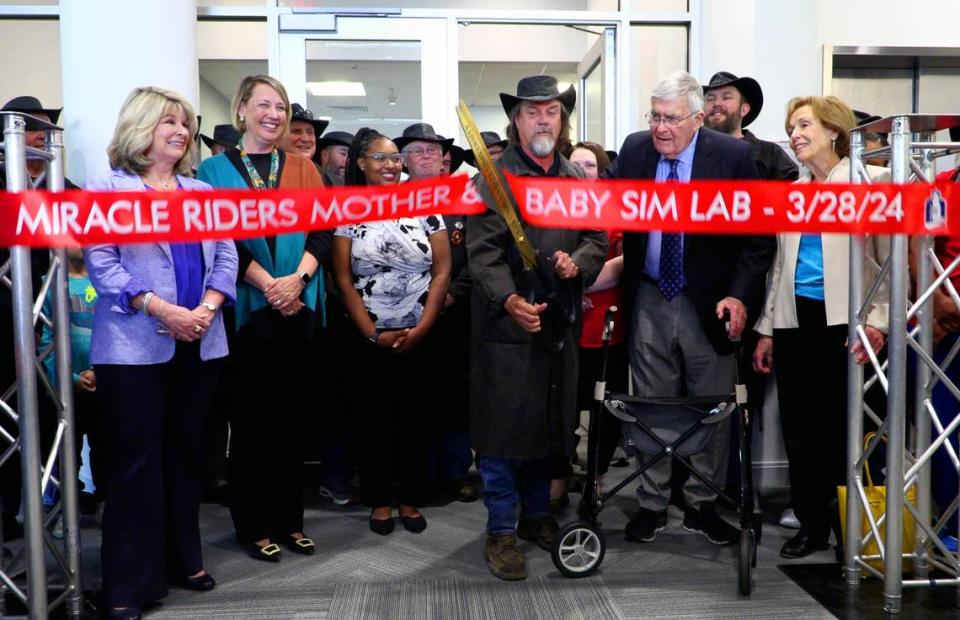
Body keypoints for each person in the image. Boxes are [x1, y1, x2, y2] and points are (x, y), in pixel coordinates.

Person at [83, 86, 238, 619]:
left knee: (186, 456)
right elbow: (103, 267)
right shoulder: (107, 188)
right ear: (139, 127)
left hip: (202, 339)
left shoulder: (202, 192)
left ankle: (183, 561)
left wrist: (208, 309)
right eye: (168, 121)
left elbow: (226, 257)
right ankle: (128, 585)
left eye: (186, 123)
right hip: (133, 347)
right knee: (136, 463)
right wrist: (162, 309)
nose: (180, 130)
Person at [605, 70, 775, 547]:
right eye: (655, 117)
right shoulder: (636, 150)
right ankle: (653, 502)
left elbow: (757, 239)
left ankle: (701, 503)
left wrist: (739, 294)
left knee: (713, 407)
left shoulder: (733, 157)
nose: (660, 128)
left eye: (671, 119)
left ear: (698, 118)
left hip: (710, 303)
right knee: (651, 406)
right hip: (650, 296)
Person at [468, 75, 607, 580]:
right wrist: (508, 298)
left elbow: (597, 236)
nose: (543, 119)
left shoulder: (574, 178)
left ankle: (536, 517)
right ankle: (501, 531)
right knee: (505, 433)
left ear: (562, 119)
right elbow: (481, 253)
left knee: (549, 427)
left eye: (551, 111)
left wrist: (581, 264)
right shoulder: (492, 178)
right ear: (516, 120)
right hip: (507, 330)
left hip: (559, 325)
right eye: (532, 112)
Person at [196, 74, 329, 563]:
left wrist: (296, 281)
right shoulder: (212, 171)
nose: (273, 114)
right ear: (242, 109)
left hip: (300, 305)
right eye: (264, 105)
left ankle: (290, 521)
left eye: (281, 106)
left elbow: (321, 231)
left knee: (294, 422)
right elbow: (219, 239)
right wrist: (267, 285)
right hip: (248, 311)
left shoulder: (302, 167)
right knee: (252, 423)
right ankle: (253, 526)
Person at [753, 95, 889, 559]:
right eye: (791, 127)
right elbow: (778, 269)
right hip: (796, 322)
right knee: (800, 428)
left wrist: (878, 322)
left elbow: (890, 265)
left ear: (834, 130)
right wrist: (768, 329)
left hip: (847, 324)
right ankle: (812, 525)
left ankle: (851, 524)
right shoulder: (792, 192)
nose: (795, 134)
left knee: (845, 430)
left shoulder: (870, 184)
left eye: (805, 124)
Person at [331, 128, 451, 535]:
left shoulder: (424, 204)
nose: (390, 165)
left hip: (421, 335)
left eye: (395, 158)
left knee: (416, 420)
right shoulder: (348, 209)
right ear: (361, 163)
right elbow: (343, 279)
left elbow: (443, 270)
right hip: (369, 339)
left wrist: (424, 326)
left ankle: (412, 498)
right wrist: (371, 333)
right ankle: (380, 500)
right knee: (373, 420)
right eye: (380, 158)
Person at [394, 122, 479, 503]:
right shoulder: (391, 204)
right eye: (418, 150)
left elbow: (477, 256)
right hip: (407, 318)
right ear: (404, 160)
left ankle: (456, 471)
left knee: (457, 398)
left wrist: (450, 295)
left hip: (455, 315)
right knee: (413, 397)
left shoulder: (464, 201)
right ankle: (421, 474)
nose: (427, 156)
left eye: (433, 150)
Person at [701, 72, 798, 181]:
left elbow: (791, 194)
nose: (717, 103)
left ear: (744, 109)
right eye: (710, 99)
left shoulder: (770, 154)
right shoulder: (691, 154)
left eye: (726, 97)